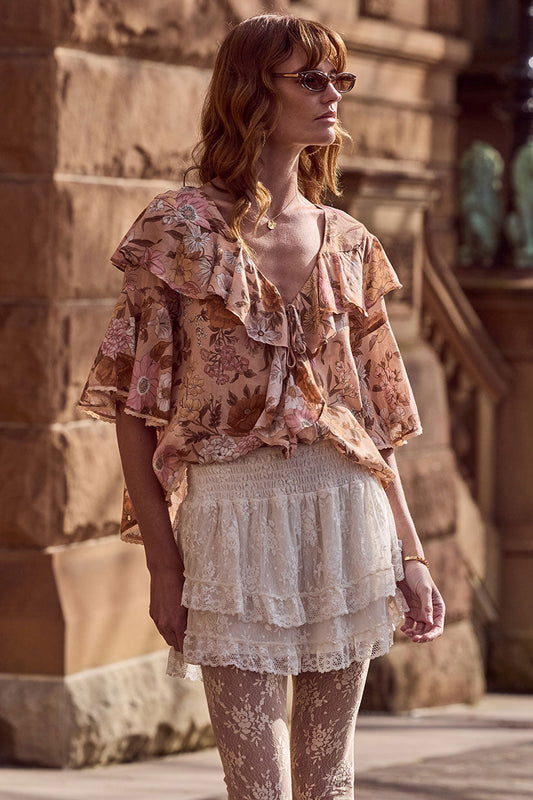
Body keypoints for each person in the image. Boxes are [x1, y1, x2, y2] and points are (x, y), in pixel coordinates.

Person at [79, 13, 445, 799]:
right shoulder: (176, 231)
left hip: (346, 515)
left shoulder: (349, 242)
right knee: (257, 786)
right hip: (230, 522)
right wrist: (163, 564)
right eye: (309, 78)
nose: (331, 94)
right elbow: (133, 409)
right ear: (251, 91)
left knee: (329, 780)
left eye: (338, 78)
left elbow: (371, 427)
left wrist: (411, 558)